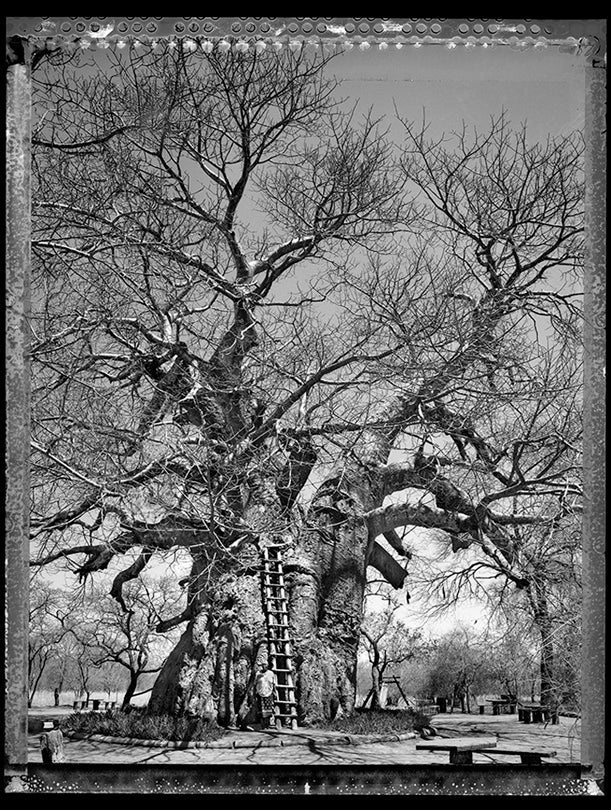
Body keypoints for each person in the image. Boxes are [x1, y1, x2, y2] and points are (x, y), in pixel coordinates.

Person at [254, 662, 277, 729]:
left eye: (266, 665)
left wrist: (275, 693)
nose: (265, 666)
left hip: (269, 693)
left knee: (269, 710)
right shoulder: (258, 674)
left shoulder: (271, 673)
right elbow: (255, 684)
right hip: (260, 693)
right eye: (263, 665)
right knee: (261, 710)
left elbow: (274, 684)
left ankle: (267, 724)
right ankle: (262, 725)